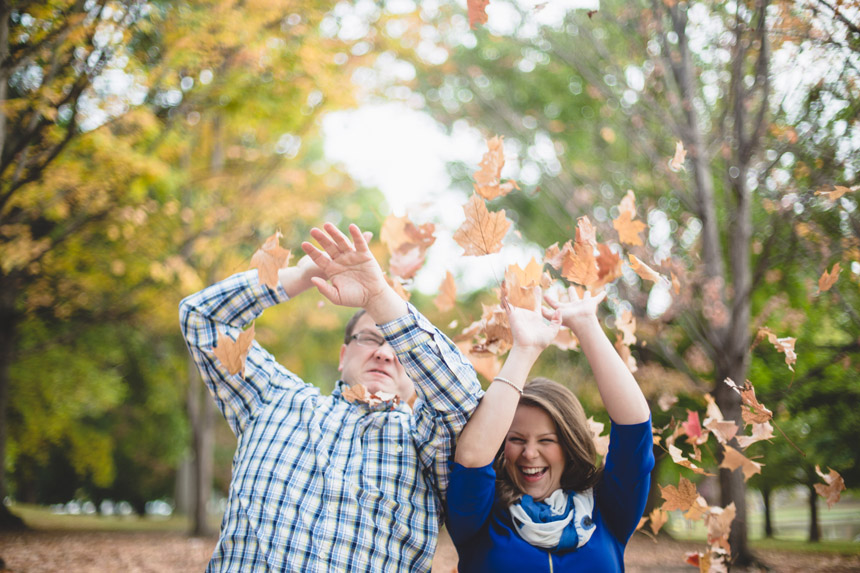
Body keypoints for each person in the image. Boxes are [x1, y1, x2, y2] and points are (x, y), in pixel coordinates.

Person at [179, 222, 482, 572]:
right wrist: (305, 274)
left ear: (418, 375)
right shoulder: (274, 398)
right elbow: (202, 318)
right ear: (343, 356)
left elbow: (463, 398)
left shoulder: (430, 443)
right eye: (369, 338)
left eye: (397, 346)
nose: (384, 353)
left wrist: (380, 297)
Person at [446, 286, 654, 572]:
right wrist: (525, 349)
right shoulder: (479, 515)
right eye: (516, 439)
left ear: (569, 445)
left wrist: (586, 326)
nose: (529, 453)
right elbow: (471, 458)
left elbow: (635, 428)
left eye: (546, 440)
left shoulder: (609, 509)